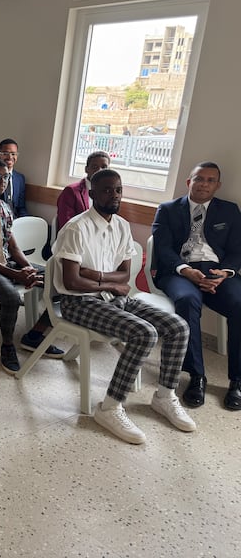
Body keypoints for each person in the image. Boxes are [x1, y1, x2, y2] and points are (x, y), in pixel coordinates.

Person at [53, 169, 195, 444]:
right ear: (92, 194)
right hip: (77, 302)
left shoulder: (121, 226)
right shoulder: (76, 227)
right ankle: (109, 407)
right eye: (106, 190)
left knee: (178, 326)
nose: (114, 195)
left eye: (118, 189)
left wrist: (97, 276)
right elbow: (72, 281)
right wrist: (108, 283)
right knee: (145, 333)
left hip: (110, 296)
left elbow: (124, 274)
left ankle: (165, 395)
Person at [151, 162, 241, 411]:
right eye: (199, 179)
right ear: (189, 182)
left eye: (210, 180)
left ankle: (237, 380)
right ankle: (196, 376)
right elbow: (163, 247)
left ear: (218, 185)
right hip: (179, 271)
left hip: (216, 271)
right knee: (187, 301)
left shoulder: (230, 211)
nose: (204, 184)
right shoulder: (168, 209)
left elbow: (237, 249)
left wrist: (225, 273)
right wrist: (185, 270)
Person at [0, 159, 62, 374]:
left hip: (8, 262)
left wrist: (28, 268)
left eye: (5, 176)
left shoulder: (5, 207)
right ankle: (7, 345)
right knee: (11, 297)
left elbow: (13, 247)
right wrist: (15, 273)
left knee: (58, 279)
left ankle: (34, 335)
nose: (2, 180)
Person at [56, 150, 110, 231]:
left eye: (104, 167)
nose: (99, 170)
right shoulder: (71, 191)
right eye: (95, 167)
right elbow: (66, 225)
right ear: (86, 169)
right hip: (77, 237)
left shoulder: (109, 194)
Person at [0, 138, 28, 217]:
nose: (10, 157)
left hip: (15, 221)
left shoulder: (20, 179)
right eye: (6, 153)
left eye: (13, 154)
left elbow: (21, 207)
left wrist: (26, 221)